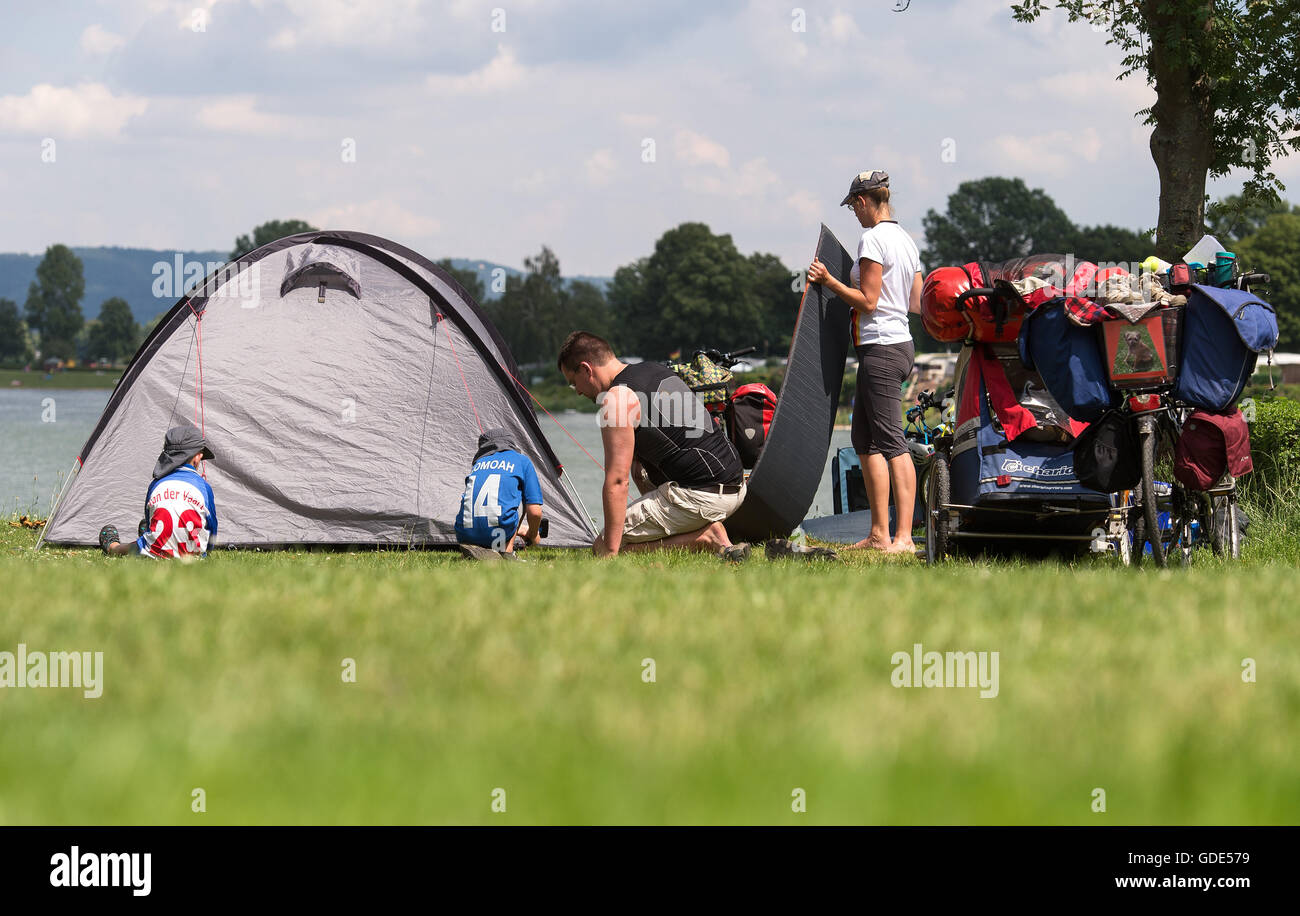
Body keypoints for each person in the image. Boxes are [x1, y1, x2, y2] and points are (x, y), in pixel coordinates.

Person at [557, 331, 751, 561]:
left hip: (702, 497)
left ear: (586, 369)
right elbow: (638, 470)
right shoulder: (653, 370)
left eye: (573, 383)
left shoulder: (615, 401)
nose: (578, 391)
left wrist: (609, 551)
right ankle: (693, 526)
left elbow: (618, 481)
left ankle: (705, 537)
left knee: (604, 546)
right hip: (736, 487)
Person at [808, 169, 922, 555]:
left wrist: (831, 282)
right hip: (898, 345)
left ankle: (903, 537)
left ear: (862, 202)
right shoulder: (907, 241)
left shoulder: (872, 238)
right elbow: (915, 302)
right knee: (863, 439)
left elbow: (869, 302)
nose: (855, 216)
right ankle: (878, 533)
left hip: (881, 350)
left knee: (891, 441)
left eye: (854, 208)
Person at [99, 424, 218, 558]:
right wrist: (206, 550)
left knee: (136, 545)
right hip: (192, 557)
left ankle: (113, 547)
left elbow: (150, 519)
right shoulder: (204, 487)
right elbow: (211, 530)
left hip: (155, 553)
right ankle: (155, 534)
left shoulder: (156, 484)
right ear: (197, 458)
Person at [454, 428, 544, 561]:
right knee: (511, 505)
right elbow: (535, 512)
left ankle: (475, 551)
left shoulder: (478, 464)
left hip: (465, 533)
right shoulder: (522, 461)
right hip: (500, 534)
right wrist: (533, 534)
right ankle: (506, 554)